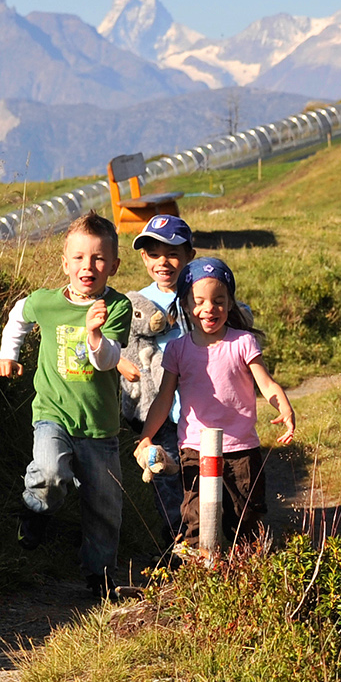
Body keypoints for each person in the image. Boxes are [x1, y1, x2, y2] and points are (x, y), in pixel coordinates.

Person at [0, 214, 134, 587]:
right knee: (51, 473)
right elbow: (18, 316)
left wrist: (94, 333)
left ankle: (99, 576)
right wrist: (10, 354)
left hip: (100, 426)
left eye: (99, 258)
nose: (88, 266)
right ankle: (35, 510)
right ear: (65, 263)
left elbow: (107, 362)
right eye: (79, 257)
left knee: (105, 508)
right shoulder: (47, 302)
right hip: (52, 414)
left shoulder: (117, 308)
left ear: (114, 266)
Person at [138, 257, 295, 559]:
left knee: (244, 522)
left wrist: (284, 407)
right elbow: (163, 398)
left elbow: (267, 383)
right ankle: (200, 580)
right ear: (184, 304)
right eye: (199, 301)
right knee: (196, 519)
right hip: (194, 450)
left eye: (219, 301)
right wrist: (147, 436)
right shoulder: (178, 349)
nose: (209, 308)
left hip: (241, 451)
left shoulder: (243, 342)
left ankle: (244, 581)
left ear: (230, 303)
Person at [117, 213, 194, 540]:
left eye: (174, 252)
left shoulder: (198, 294)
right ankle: (177, 539)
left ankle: (209, 536)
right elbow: (116, 342)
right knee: (164, 470)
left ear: (190, 255)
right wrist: (120, 362)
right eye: (154, 253)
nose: (164, 261)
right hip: (156, 407)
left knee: (197, 469)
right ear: (144, 257)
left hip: (197, 402)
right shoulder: (136, 302)